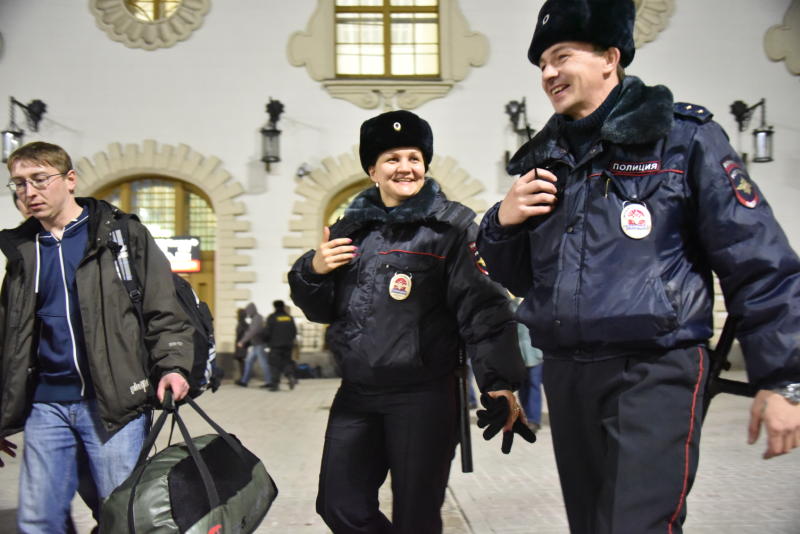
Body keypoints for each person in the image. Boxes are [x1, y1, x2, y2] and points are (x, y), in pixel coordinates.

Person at [475, 1, 800, 532]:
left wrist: (785, 378)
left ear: (610, 56)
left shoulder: (683, 137)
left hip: (655, 366)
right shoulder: (544, 160)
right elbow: (520, 278)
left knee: (637, 525)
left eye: (561, 56)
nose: (549, 73)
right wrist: (502, 223)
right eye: (541, 65)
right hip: (569, 372)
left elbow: (758, 259)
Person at [289, 109, 529, 534]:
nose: (406, 168)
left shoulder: (452, 229)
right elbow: (321, 310)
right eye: (393, 159)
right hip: (357, 395)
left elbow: (484, 310)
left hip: (424, 398)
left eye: (414, 158)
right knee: (337, 505)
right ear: (372, 170)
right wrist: (314, 269)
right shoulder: (351, 230)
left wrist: (499, 382)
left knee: (416, 517)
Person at [0, 141, 193, 533]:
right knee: (39, 518)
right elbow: (11, 338)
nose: (28, 192)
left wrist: (173, 366)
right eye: (18, 184)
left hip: (114, 404)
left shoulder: (122, 236)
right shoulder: (22, 250)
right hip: (45, 405)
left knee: (120, 514)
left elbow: (163, 309)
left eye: (39, 179)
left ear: (69, 180)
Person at [512, 297, 544, 433]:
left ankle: (534, 419)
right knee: (523, 386)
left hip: (534, 351)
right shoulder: (510, 303)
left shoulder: (535, 301)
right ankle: (525, 416)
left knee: (533, 384)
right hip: (517, 352)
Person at [263, 300, 298, 391]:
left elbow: (267, 332)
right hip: (288, 345)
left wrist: (266, 341)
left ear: (275, 307)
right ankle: (290, 376)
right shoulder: (289, 318)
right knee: (287, 362)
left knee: (275, 364)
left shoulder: (272, 317)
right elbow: (294, 331)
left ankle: (275, 385)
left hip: (275, 345)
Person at [234, 302, 271, 387]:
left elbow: (252, 331)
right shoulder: (255, 318)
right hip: (256, 345)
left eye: (248, 311)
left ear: (251, 310)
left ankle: (269, 381)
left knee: (263, 363)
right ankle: (244, 381)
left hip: (260, 344)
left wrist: (242, 341)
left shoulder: (257, 318)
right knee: (248, 362)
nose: (247, 314)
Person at [233, 307, 249, 380]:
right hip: (241, 345)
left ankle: (243, 378)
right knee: (241, 362)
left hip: (241, 345)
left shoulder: (242, 324)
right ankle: (243, 377)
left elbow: (241, 334)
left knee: (242, 362)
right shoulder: (243, 323)